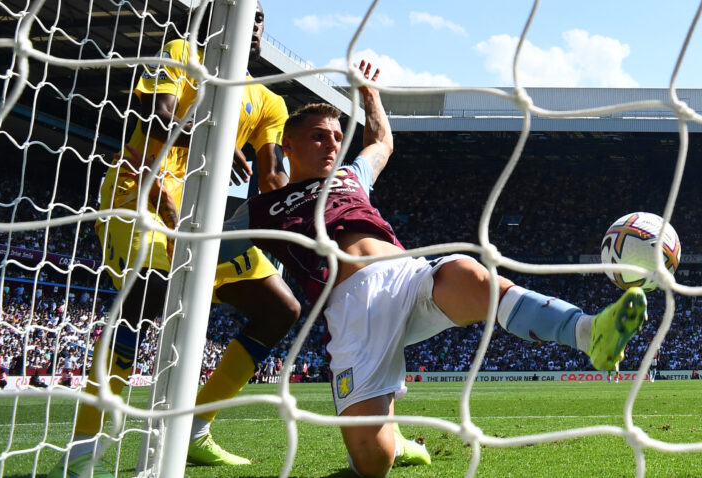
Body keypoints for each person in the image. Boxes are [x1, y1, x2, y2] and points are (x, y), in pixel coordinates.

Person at [217, 61, 649, 477]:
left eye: (335, 135)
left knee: (473, 274)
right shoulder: (264, 209)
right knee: (373, 464)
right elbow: (213, 242)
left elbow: (381, 142)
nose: (332, 144)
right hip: (353, 310)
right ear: (287, 147)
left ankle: (589, 333)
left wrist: (370, 96)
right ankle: (390, 436)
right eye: (318, 137)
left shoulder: (350, 176)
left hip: (410, 278)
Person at [49, 3, 301, 477]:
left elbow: (271, 177)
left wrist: (305, 194)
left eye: (262, 17)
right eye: (247, 13)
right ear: (216, 19)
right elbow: (159, 117)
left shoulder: (270, 102)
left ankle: (193, 431)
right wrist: (215, 136)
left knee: (280, 309)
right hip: (138, 188)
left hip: (201, 213)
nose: (254, 24)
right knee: (148, 300)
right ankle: (83, 450)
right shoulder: (182, 54)